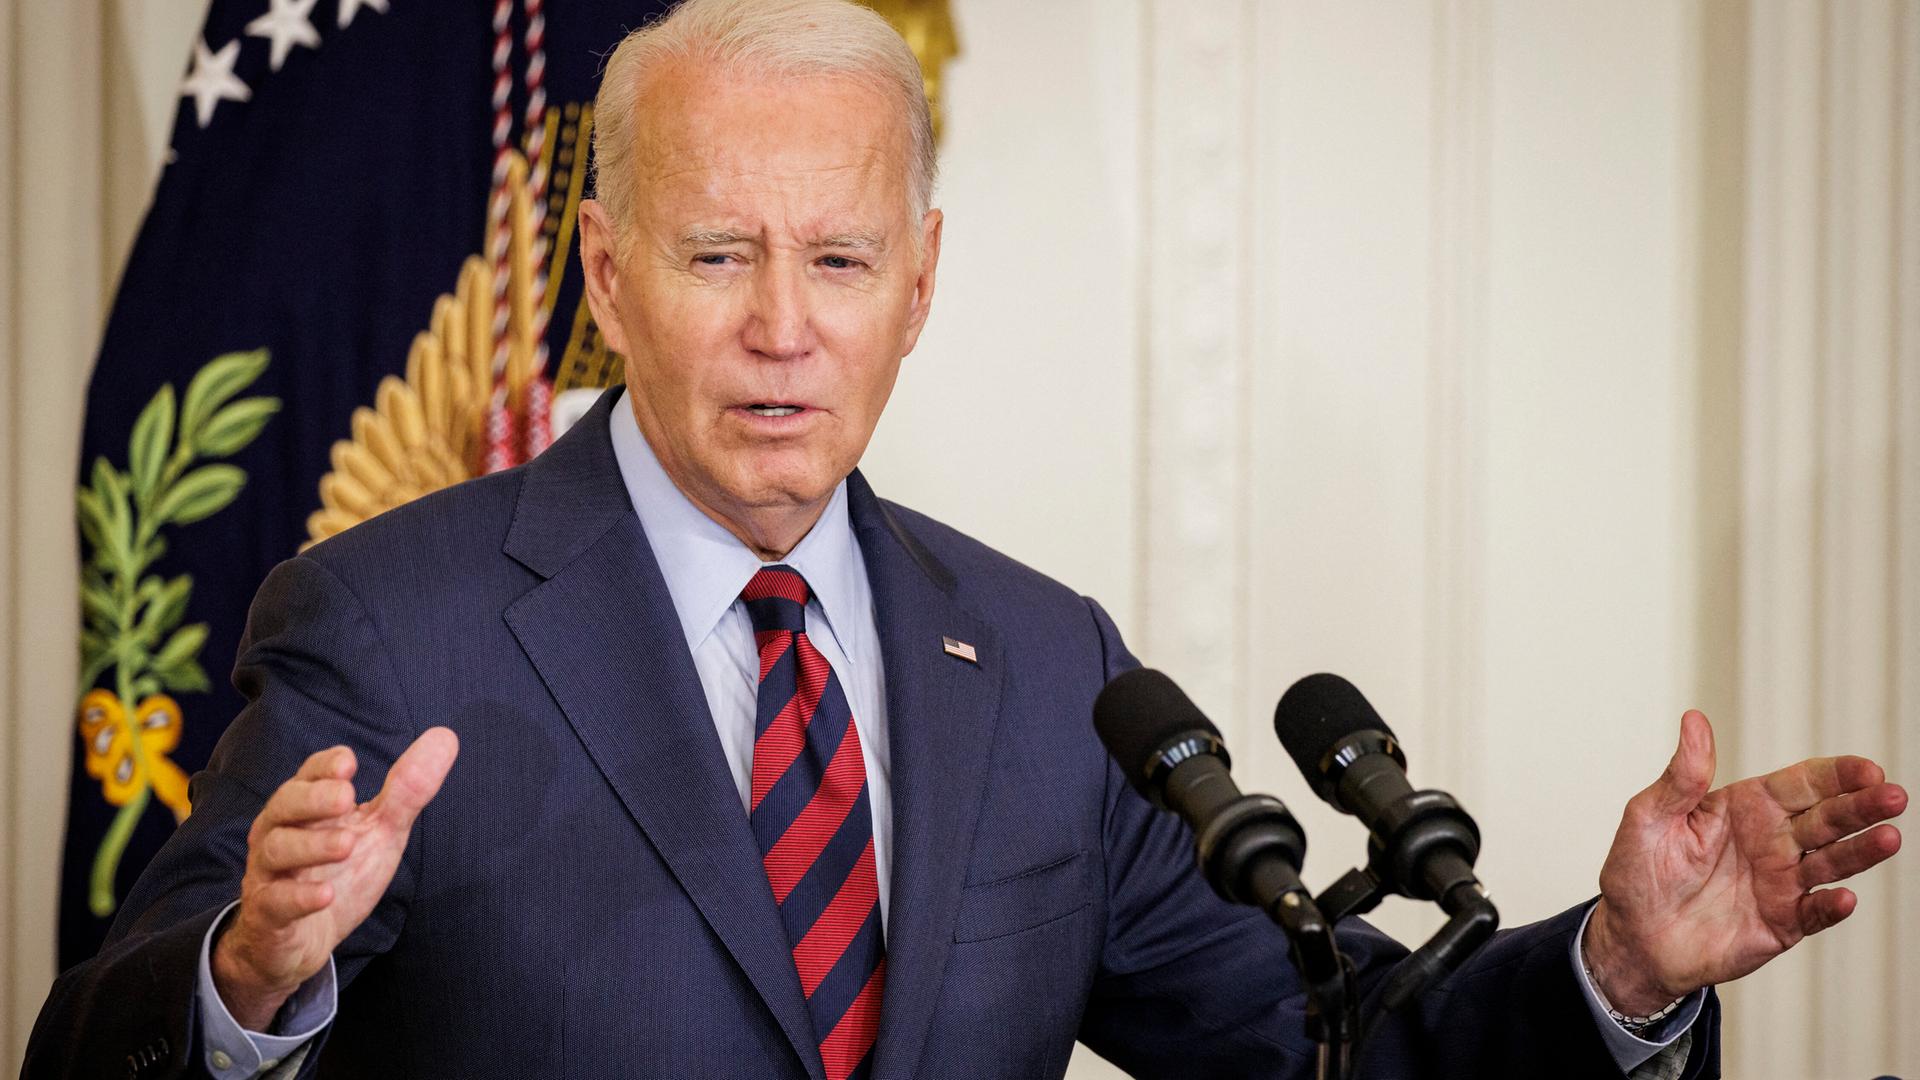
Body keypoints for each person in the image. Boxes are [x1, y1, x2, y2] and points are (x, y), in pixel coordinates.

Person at [26, 1, 1907, 1077]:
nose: (784, 326)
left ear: (919, 287)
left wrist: (1623, 975)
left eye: (839, 260)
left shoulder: (1041, 662)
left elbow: (1324, 1053)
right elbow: (89, 1052)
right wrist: (251, 981)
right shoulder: (388, 624)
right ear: (605, 278)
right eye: (713, 256)